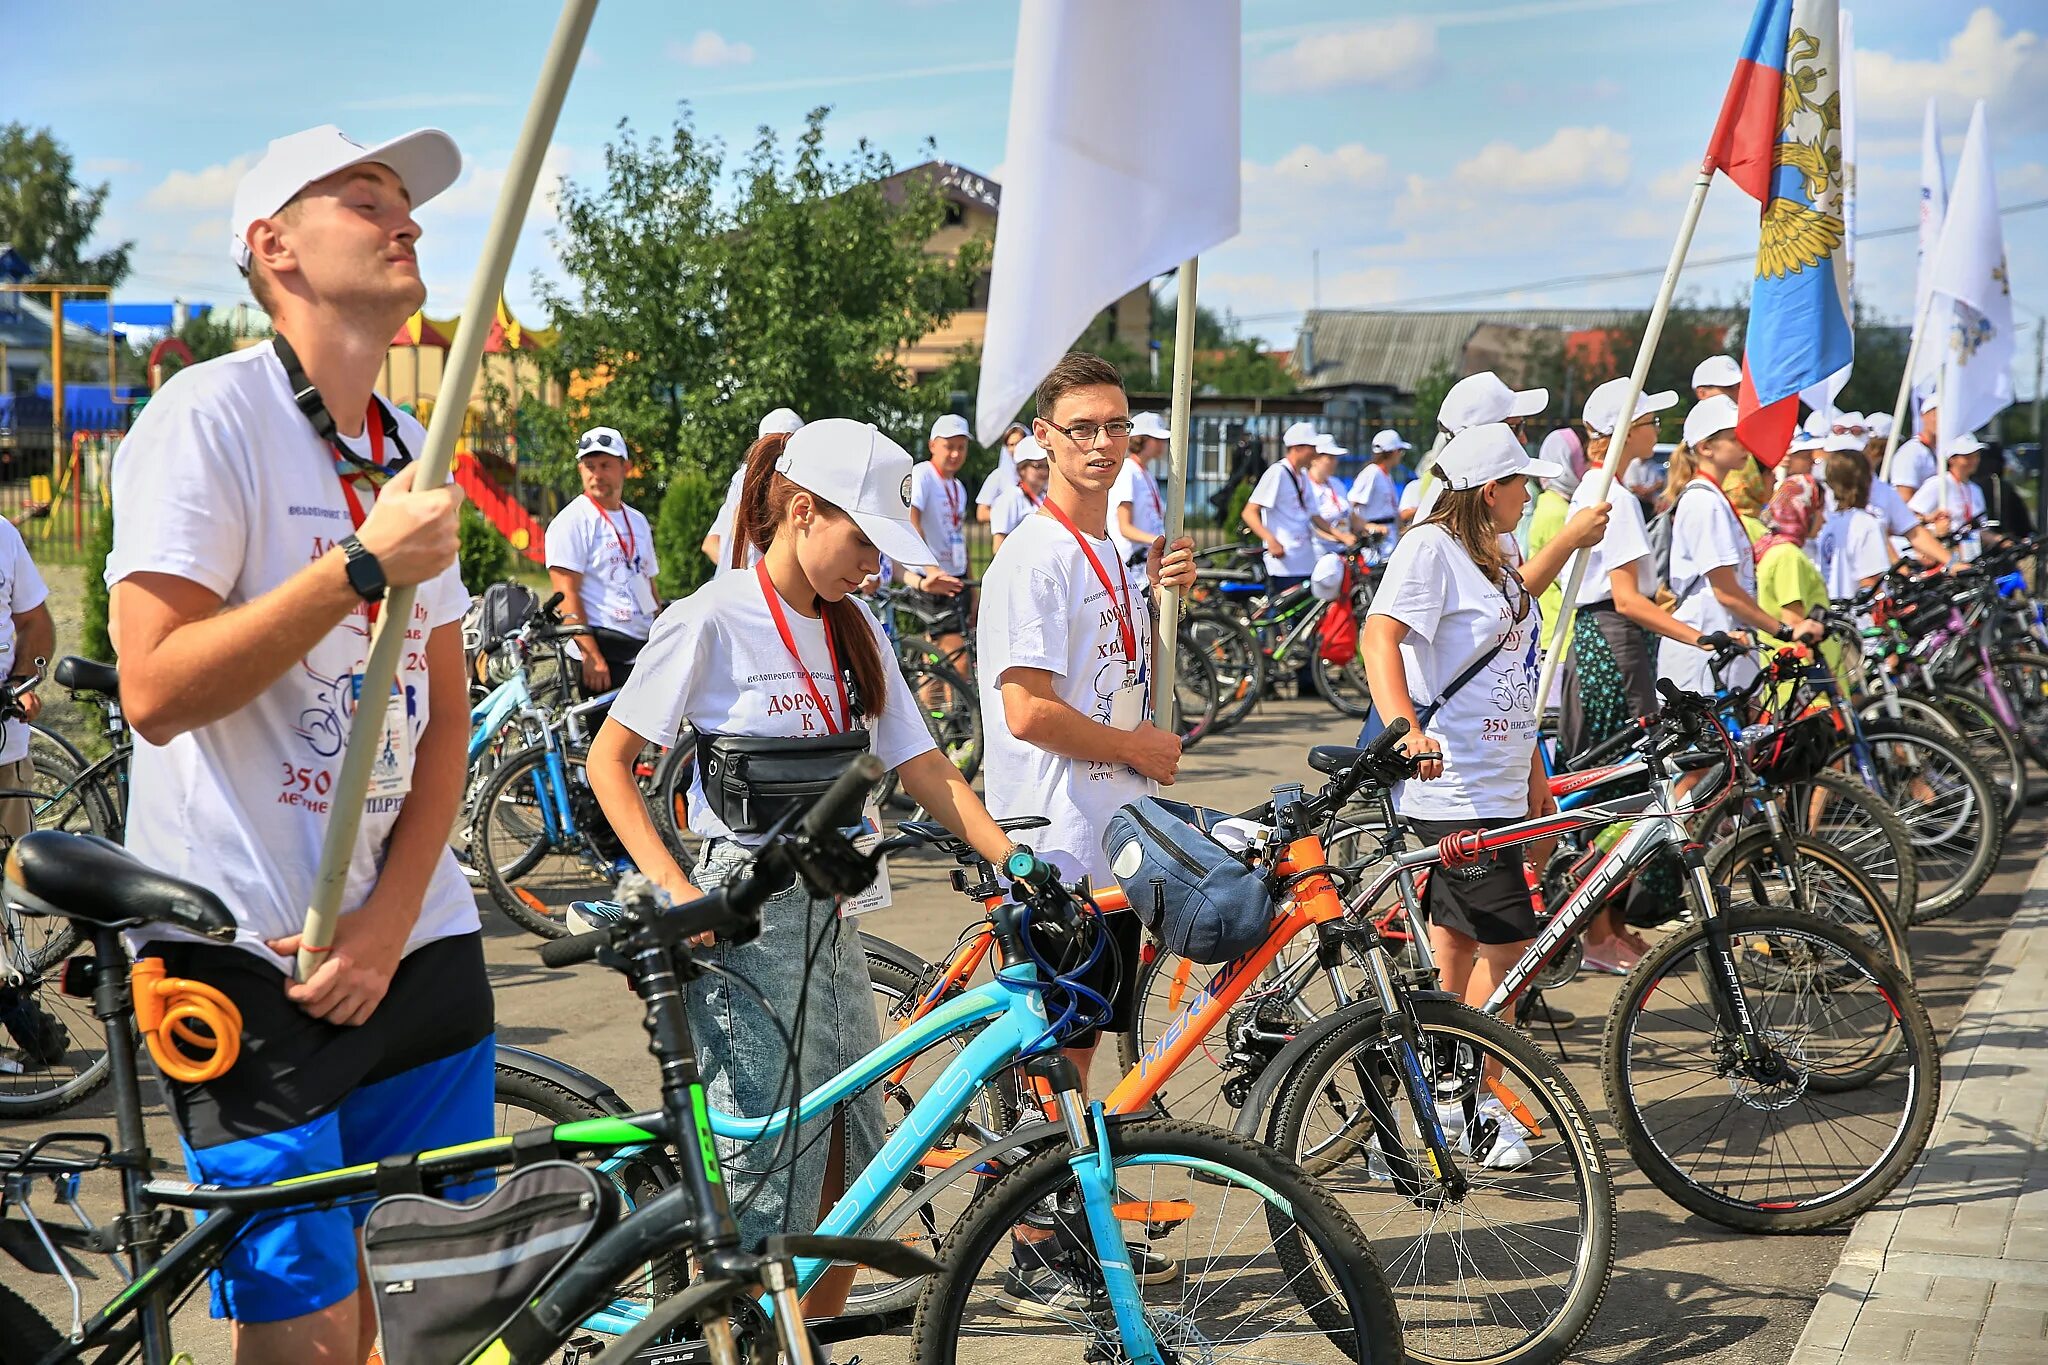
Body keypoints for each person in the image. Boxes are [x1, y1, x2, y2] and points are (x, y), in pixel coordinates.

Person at [107, 124, 477, 1363]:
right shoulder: (206, 415)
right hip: (248, 947)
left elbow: (445, 721)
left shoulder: (409, 449)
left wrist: (386, 926)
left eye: (406, 203)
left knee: (441, 1315)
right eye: (366, 198)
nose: (404, 219)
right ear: (275, 249)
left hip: (413, 941)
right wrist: (360, 565)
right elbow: (152, 689)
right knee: (310, 1336)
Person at [586, 419, 1022, 1316]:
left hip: (833, 913)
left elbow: (923, 762)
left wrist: (1015, 858)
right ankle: (748, 1335)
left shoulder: (854, 625)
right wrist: (676, 890)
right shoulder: (708, 615)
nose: (872, 566)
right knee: (765, 1167)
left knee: (853, 1154)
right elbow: (609, 760)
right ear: (800, 510)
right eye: (862, 541)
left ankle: (806, 1338)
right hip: (740, 917)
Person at [978, 351, 1196, 1302]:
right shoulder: (1034, 555)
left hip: (1111, 835)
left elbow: (1121, 675)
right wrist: (1137, 749)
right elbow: (1026, 709)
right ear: (1042, 441)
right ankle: (1033, 1241)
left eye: (1117, 426)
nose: (1105, 444)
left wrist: (1160, 595)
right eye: (1083, 429)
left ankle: (1068, 1223)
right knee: (1052, 1055)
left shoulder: (1105, 548)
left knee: (1083, 1046)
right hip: (1052, 844)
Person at [1360, 423, 1609, 1157]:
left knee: (1459, 946)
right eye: (1519, 484)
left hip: (1498, 776)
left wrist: (1533, 766)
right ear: (1488, 490)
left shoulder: (1495, 555)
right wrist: (1406, 729)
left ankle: (1436, 1102)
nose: (1529, 495)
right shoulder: (1429, 547)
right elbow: (1381, 635)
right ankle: (1468, 1099)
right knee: (1514, 952)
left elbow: (1510, 665)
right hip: (1454, 787)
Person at [1560, 380, 1713, 971]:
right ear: (1625, 430)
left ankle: (1611, 922)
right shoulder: (1611, 494)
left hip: (1618, 642)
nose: (1655, 430)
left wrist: (1659, 602)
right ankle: (1595, 931)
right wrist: (1698, 636)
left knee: (1623, 789)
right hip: (1614, 646)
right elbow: (1623, 598)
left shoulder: (1609, 489)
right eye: (1649, 419)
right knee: (1611, 789)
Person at [1657, 396, 1823, 697]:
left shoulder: (1713, 497)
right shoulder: (1702, 501)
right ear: (1706, 448)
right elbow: (1725, 591)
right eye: (1734, 439)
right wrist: (1784, 631)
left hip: (1724, 650)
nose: (1745, 446)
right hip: (1703, 655)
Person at [546, 425, 658, 695]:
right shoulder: (572, 521)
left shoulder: (637, 521)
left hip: (641, 647)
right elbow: (565, 592)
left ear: (625, 468)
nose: (597, 474)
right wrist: (591, 655)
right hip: (603, 649)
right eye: (589, 465)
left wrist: (661, 635)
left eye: (606, 465)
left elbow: (649, 582)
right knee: (603, 737)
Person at [1752, 471, 1851, 694]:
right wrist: (1829, 683)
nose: (1824, 519)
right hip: (1807, 683)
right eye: (1819, 511)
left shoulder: (1777, 549)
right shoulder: (1788, 556)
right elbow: (1796, 625)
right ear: (1803, 510)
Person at [1244, 421, 1352, 585]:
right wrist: (1270, 540)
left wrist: (1342, 536)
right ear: (1297, 448)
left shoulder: (1302, 476)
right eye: (1312, 448)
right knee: (1283, 610)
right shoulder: (1277, 472)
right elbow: (1249, 512)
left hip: (1305, 561)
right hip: (1283, 563)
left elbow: (1315, 517)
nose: (1316, 453)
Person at [0, 517, 53, 847]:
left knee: (14, 886)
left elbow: (35, 622)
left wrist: (22, 682)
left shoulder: (3, 534)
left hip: (5, 759)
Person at [906, 412, 973, 666]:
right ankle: (948, 706)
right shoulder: (922, 474)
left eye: (961, 447)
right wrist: (930, 568)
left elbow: (957, 533)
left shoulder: (958, 487)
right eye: (949, 446)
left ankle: (938, 706)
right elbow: (913, 522)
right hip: (932, 578)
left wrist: (968, 577)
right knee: (954, 659)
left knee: (938, 657)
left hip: (954, 575)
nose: (955, 454)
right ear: (933, 445)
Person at [705, 406, 804, 571]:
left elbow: (710, 543)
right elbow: (738, 520)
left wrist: (729, 568)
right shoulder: (750, 476)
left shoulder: (743, 475)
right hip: (757, 586)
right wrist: (744, 572)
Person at [1815, 449, 1893, 599]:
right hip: (1861, 618)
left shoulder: (1829, 524)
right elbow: (1870, 583)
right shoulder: (1866, 524)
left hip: (1835, 613)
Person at [1910, 432, 1988, 561]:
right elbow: (1909, 516)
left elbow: (1981, 530)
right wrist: (1932, 524)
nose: (1974, 460)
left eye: (1976, 456)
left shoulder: (1975, 489)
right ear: (1952, 459)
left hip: (1969, 557)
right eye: (1967, 457)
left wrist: (2001, 540)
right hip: (1940, 557)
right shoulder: (1939, 483)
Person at [1109, 412, 1169, 570]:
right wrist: (1160, 540)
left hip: (1146, 563)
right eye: (1157, 439)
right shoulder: (1127, 471)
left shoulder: (1145, 472)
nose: (1163, 444)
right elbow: (1125, 528)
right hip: (1132, 565)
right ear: (1142, 439)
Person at [1347, 429, 1409, 550]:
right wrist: (1367, 526)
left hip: (1389, 537)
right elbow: (1351, 505)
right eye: (1400, 451)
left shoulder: (1386, 475)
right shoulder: (1371, 473)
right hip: (1377, 540)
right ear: (1393, 452)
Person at [990, 436, 1051, 554]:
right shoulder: (1009, 498)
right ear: (1022, 469)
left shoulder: (1046, 497)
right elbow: (999, 547)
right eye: (1038, 466)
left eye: (1047, 466)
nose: (1044, 471)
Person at [975, 421, 1030, 523]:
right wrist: (1009, 515)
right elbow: (981, 513)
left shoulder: (1040, 474)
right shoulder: (998, 476)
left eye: (1019, 443)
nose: (1015, 448)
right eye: (1011, 445)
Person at [1889, 401, 1941, 498]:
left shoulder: (1943, 452)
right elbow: (1904, 498)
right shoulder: (1910, 452)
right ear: (1923, 416)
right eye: (1936, 414)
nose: (1941, 419)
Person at [1307, 440, 1352, 548]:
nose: (1335, 462)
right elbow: (1312, 525)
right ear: (1314, 459)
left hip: (1342, 549)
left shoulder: (1336, 484)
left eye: (1335, 458)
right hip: (1318, 550)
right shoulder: (1306, 486)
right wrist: (1340, 538)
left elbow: (1349, 515)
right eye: (1330, 458)